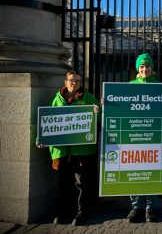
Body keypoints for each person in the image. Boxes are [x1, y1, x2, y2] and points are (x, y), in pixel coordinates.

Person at [36, 71, 100, 226]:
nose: (74, 83)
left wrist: (98, 112)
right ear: (65, 82)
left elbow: (100, 118)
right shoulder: (57, 99)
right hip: (62, 150)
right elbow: (49, 121)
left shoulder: (89, 98)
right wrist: (41, 138)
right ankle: (62, 213)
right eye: (71, 80)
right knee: (64, 182)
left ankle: (81, 213)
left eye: (78, 81)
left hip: (82, 150)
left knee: (81, 184)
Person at [126, 53, 157, 223]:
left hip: (153, 136)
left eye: (148, 66)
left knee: (151, 172)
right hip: (134, 136)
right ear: (138, 69)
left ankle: (150, 206)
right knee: (134, 171)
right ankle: (136, 205)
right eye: (142, 67)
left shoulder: (159, 86)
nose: (145, 69)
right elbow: (121, 106)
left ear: (152, 68)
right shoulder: (130, 85)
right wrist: (107, 103)